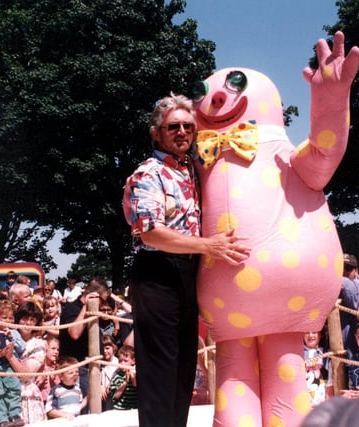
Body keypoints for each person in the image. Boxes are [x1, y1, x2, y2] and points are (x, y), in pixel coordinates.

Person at [122, 93, 250, 427]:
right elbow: (150, 233)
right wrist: (210, 246)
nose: (182, 132)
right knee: (160, 371)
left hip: (187, 272)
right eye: (172, 126)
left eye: (187, 126)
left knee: (182, 371)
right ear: (156, 133)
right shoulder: (147, 174)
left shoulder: (192, 170)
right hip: (156, 272)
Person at [59, 278, 109, 400]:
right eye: (102, 301)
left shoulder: (93, 312)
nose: (103, 305)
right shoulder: (72, 309)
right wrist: (86, 306)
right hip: (78, 370)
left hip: (91, 368)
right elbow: (74, 333)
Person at [8, 301, 47, 424]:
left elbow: (26, 375)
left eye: (32, 320)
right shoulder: (7, 337)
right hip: (6, 390)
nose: (28, 323)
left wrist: (9, 357)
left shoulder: (38, 345)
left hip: (26, 393)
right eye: (24, 318)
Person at [45, 356, 87, 420]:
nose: (75, 374)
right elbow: (49, 410)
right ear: (61, 376)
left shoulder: (78, 389)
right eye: (71, 373)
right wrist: (64, 415)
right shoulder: (56, 390)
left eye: (76, 372)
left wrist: (89, 396)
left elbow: (79, 406)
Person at [303, 330, 331, 406]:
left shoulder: (326, 353)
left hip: (322, 402)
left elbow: (331, 381)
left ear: (320, 334)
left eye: (314, 332)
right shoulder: (298, 353)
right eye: (307, 332)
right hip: (303, 402)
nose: (310, 335)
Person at [340, 254, 359, 353]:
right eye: (340, 268)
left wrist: (336, 279)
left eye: (348, 268)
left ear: (356, 271)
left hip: (355, 348)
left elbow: (354, 302)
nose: (344, 271)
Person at [108, 345, 138, 410]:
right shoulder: (117, 376)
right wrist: (126, 381)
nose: (122, 364)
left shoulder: (136, 374)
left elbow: (137, 386)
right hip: (120, 409)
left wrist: (133, 377)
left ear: (133, 361)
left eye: (125, 361)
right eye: (120, 361)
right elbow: (115, 396)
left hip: (134, 409)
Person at [36, 336, 61, 404]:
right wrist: (40, 382)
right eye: (53, 348)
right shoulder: (38, 367)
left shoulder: (57, 368)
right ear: (45, 349)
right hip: (40, 402)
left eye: (58, 350)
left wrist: (54, 381)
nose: (56, 352)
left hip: (54, 402)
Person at [100, 335, 118, 411]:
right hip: (103, 398)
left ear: (113, 348)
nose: (105, 351)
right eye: (102, 349)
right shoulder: (100, 364)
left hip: (114, 397)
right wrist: (100, 386)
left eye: (107, 348)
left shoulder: (117, 363)